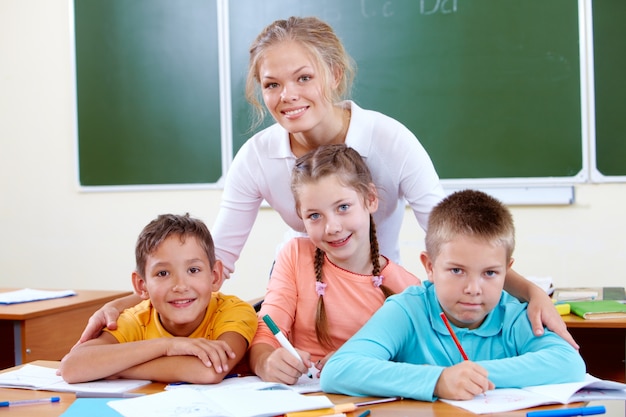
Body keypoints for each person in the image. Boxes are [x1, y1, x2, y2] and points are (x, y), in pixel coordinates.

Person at [76, 16, 576, 349]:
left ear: (332, 74)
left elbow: (454, 240)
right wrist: (131, 302)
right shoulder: (256, 157)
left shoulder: (389, 141)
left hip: (381, 306)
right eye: (271, 85)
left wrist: (530, 290)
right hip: (305, 314)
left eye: (303, 78)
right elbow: (217, 262)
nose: (287, 96)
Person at [320, 190, 586, 401]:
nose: (473, 288)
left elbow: (569, 363)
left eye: (490, 273)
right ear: (430, 267)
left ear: (507, 271)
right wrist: (439, 380)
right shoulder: (407, 310)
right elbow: (339, 370)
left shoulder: (514, 315)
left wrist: (472, 377)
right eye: (457, 270)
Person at [250, 144, 421, 385]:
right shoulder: (295, 255)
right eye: (314, 216)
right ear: (301, 217)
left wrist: (355, 363)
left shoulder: (408, 288)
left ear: (370, 199)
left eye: (343, 207)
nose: (332, 227)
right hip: (300, 400)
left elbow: (412, 362)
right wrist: (265, 362)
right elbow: (266, 333)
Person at [59, 213, 257, 384]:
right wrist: (168, 346)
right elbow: (72, 367)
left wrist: (115, 368)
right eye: (163, 273)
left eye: (193, 270)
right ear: (141, 285)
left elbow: (209, 371)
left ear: (214, 275)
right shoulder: (137, 319)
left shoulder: (234, 312)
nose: (180, 286)